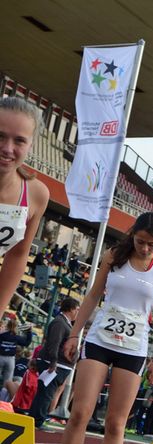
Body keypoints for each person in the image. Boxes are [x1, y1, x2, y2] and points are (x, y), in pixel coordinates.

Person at [46, 212, 153, 444]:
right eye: (141, 241)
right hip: (100, 339)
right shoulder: (113, 255)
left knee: (116, 423)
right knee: (80, 412)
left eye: (152, 245)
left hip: (134, 347)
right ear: (133, 235)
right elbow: (93, 295)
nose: (145, 249)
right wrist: (75, 334)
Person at [0, 97, 49, 317]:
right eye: (0, 136)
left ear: (30, 144)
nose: (7, 148)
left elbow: (17, 256)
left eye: (19, 140)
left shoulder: (36, 195)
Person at [28, 298, 80, 427]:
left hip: (57, 364)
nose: (78, 312)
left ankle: (34, 419)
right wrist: (53, 363)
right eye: (77, 309)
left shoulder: (64, 323)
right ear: (71, 309)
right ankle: (38, 421)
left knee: (44, 393)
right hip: (54, 365)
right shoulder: (60, 323)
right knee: (46, 394)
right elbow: (54, 343)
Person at [0, 318, 32, 388]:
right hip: (10, 359)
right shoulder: (16, 337)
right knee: (7, 382)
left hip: (1, 357)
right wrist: (29, 332)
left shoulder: (2, 335)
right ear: (15, 327)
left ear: (7, 326)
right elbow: (27, 343)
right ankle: (3, 397)